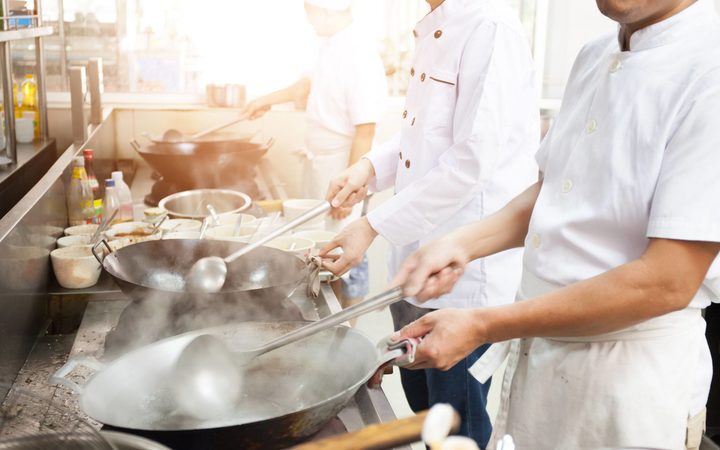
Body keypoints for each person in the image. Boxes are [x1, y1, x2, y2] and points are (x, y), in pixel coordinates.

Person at [381, 0, 720, 449]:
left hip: (630, 383)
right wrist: (461, 243)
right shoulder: (595, 54)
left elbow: (667, 281)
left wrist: (483, 325)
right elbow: (554, 190)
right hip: (544, 363)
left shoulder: (709, 68)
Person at [320, 0, 539, 446]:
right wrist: (368, 168)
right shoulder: (436, 26)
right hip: (416, 264)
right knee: (424, 411)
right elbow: (422, 134)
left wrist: (372, 226)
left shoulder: (490, 28)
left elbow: (471, 160)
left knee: (455, 427)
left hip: (464, 279)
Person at [243, 0, 387, 305]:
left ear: (325, 9)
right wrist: (266, 100)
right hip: (322, 166)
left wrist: (350, 189)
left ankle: (348, 323)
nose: (308, 20)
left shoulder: (360, 54)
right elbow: (306, 86)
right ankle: (329, 313)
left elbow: (365, 130)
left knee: (348, 253)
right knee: (324, 250)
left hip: (344, 167)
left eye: (309, 12)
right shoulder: (330, 44)